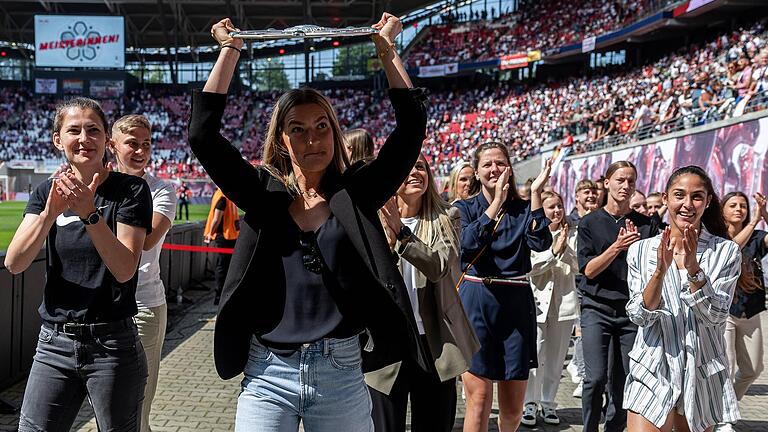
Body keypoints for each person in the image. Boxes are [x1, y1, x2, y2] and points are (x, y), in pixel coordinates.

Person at [188, 14, 429, 431]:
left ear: (335, 133)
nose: (312, 139)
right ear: (281, 140)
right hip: (267, 374)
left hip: (341, 371)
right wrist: (231, 48)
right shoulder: (262, 194)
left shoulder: (357, 192)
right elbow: (202, 136)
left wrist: (386, 49)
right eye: (297, 130)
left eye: (321, 127)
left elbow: (411, 129)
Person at [4, 98, 152, 431]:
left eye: (93, 130)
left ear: (106, 141)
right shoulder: (46, 192)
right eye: (74, 130)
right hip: (53, 342)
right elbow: (15, 262)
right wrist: (48, 216)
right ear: (58, 139)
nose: (84, 138)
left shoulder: (131, 190)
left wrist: (89, 213)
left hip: (112, 344)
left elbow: (125, 268)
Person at [624, 166, 741, 432]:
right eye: (679, 195)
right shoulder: (640, 250)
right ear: (665, 199)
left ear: (708, 201)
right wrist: (659, 272)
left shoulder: (726, 252)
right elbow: (640, 316)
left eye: (697, 196)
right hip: (653, 366)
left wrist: (693, 270)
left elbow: (716, 315)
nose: (687, 204)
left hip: (701, 370)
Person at [368, 153, 480, 432]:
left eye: (421, 166)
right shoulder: (371, 219)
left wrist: (402, 235)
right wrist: (389, 241)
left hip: (435, 342)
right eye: (407, 166)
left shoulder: (447, 216)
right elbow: (370, 277)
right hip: (386, 343)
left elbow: (440, 265)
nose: (415, 172)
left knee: (434, 423)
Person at [455, 142, 553, 432]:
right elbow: (466, 245)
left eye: (500, 163)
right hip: (477, 300)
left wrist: (535, 196)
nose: (494, 169)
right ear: (477, 171)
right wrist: (495, 203)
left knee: (512, 409)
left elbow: (540, 243)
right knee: (480, 399)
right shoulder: (464, 207)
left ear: (509, 168)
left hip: (516, 303)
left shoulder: (524, 209)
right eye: (487, 164)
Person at [577, 161, 660, 432]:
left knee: (625, 379)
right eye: (620, 180)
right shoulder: (590, 222)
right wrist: (617, 247)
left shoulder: (646, 225)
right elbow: (588, 270)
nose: (626, 186)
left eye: (631, 181)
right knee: (595, 378)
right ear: (607, 183)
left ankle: (613, 428)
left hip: (631, 311)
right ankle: (589, 427)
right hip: (596, 307)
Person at [109, 114, 176, 432]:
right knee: (107, 407)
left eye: (146, 144)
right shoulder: (95, 186)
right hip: (100, 308)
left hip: (144, 305)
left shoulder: (162, 190)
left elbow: (145, 242)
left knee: (137, 409)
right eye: (132, 143)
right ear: (112, 145)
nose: (141, 151)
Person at [522, 190, 579, 426]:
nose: (556, 211)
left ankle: (548, 404)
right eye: (551, 207)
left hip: (563, 304)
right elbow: (531, 267)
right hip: (537, 304)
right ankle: (529, 403)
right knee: (534, 356)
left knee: (555, 358)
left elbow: (579, 266)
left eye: (559, 206)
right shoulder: (533, 234)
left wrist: (565, 249)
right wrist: (554, 251)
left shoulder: (574, 233)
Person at [717, 191, 768, 432]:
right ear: (722, 210)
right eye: (733, 205)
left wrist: (763, 214)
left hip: (751, 310)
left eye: (743, 206)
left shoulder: (757, 237)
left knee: (753, 368)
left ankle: (726, 406)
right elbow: (732, 249)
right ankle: (722, 416)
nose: (739, 209)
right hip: (723, 310)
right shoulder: (716, 238)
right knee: (725, 366)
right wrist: (753, 220)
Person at [565, 178, 600, 398]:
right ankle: (580, 370)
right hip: (573, 281)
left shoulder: (600, 218)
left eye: (593, 193)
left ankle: (581, 370)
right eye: (586, 192)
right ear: (577, 196)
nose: (590, 196)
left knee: (583, 330)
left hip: (593, 280)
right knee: (580, 329)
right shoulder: (569, 221)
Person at [203, 187, 240, 306]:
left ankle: (219, 296)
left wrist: (210, 233)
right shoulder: (228, 196)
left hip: (225, 236)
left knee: (222, 267)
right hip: (231, 235)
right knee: (226, 266)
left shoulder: (221, 198)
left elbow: (216, 219)